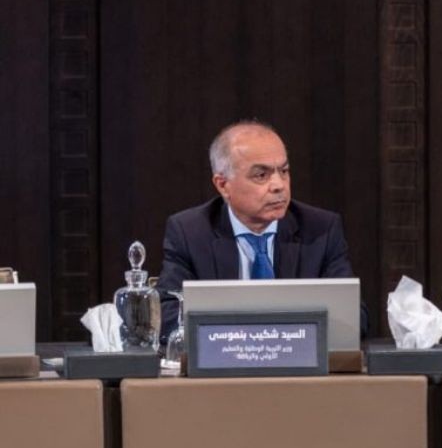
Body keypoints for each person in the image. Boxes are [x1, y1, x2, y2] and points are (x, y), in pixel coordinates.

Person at [156, 121, 365, 342]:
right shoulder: (191, 232)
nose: (279, 185)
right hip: (225, 361)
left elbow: (354, 318)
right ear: (223, 185)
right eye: (261, 175)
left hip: (297, 361)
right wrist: (247, 341)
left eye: (284, 171)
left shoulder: (320, 229)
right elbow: (166, 315)